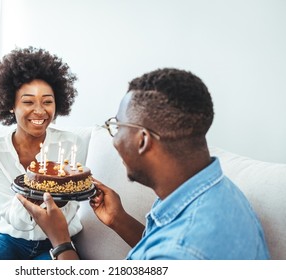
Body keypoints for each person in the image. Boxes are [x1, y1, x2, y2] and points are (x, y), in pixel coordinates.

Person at [17, 67, 270, 260]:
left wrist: (60, 240)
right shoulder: (214, 191)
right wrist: (119, 219)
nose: (114, 140)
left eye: (117, 127)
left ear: (142, 140)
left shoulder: (183, 250)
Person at [0, 47, 87, 260]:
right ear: (10, 104)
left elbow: (70, 207)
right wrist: (41, 189)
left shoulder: (72, 143)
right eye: (28, 102)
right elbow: (12, 216)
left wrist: (45, 196)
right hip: (10, 238)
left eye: (47, 101)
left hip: (58, 240)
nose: (39, 110)